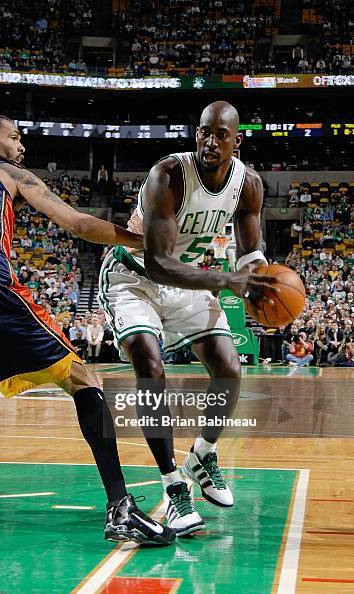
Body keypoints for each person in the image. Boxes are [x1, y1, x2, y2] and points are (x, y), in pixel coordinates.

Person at [0, 113, 174, 547]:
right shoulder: (6, 170)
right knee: (83, 379)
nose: (22, 146)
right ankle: (120, 509)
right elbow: (76, 223)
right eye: (15, 137)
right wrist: (143, 240)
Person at [98, 101, 277, 536]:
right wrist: (225, 279)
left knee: (229, 368)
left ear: (237, 140)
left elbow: (251, 251)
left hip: (190, 280)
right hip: (135, 276)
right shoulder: (169, 174)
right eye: (203, 132)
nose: (209, 141)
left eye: (220, 134)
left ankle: (203, 453)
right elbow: (158, 262)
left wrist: (260, 281)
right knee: (149, 363)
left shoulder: (248, 184)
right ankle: (173, 486)